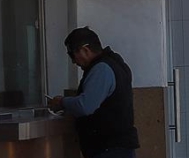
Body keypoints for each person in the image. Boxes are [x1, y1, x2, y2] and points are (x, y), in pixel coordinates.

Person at [49, 27, 140, 158]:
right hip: (119, 147)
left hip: (108, 148)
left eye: (72, 55)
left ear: (85, 50)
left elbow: (85, 105)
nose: (74, 61)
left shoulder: (101, 69)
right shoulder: (116, 64)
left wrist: (62, 102)